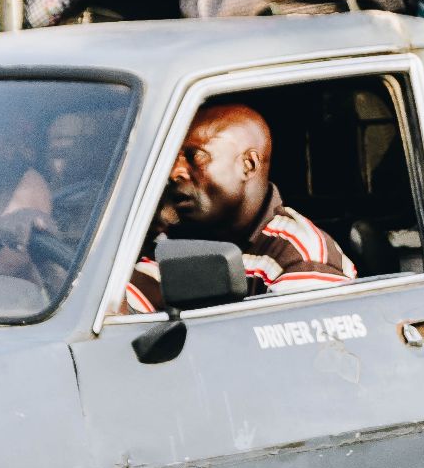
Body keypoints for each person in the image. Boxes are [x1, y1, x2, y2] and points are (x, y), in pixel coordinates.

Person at [123, 103, 354, 313]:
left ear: (248, 165)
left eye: (195, 157)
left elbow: (294, 354)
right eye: (174, 158)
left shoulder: (302, 256)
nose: (175, 173)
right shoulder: (178, 236)